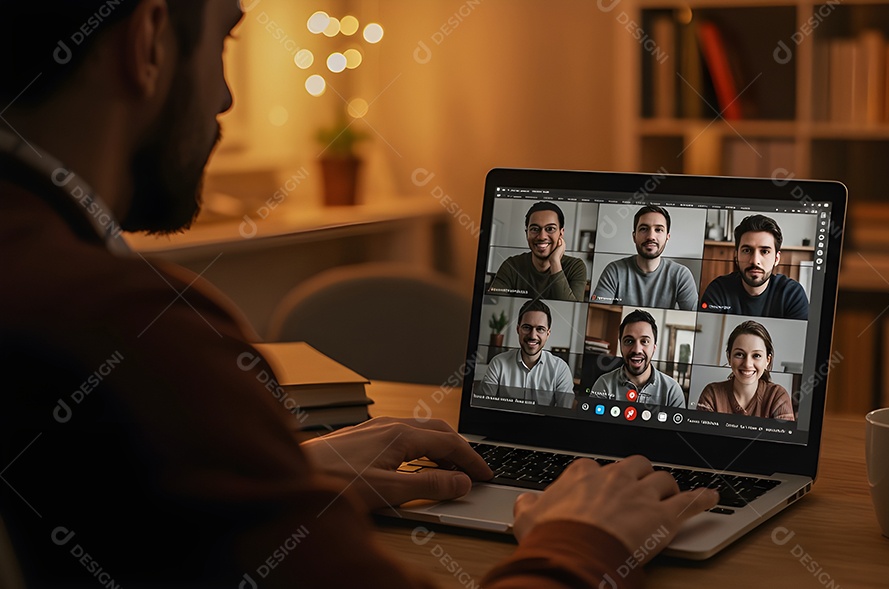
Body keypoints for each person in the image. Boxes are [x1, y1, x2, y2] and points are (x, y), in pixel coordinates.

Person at [0, 1, 718, 587]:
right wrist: (581, 542)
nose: (223, 95)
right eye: (224, 39)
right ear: (149, 38)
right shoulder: (133, 328)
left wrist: (283, 474)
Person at [700, 214, 810, 320]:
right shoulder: (718, 290)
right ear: (736, 255)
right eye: (747, 251)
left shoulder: (792, 294)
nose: (755, 261)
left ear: (776, 259)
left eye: (765, 251)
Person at [592, 205, 698, 310]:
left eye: (658, 230)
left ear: (667, 237)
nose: (651, 236)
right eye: (643, 229)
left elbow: (695, 315)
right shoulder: (614, 271)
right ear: (634, 237)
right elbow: (597, 310)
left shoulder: (681, 275)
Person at [481, 299, 575, 408]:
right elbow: (484, 406)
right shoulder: (498, 363)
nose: (533, 336)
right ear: (518, 329)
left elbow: (563, 414)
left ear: (548, 333)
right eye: (527, 327)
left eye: (540, 329)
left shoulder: (561, 369)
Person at [487, 201, 588, 301]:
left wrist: (555, 261)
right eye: (535, 229)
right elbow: (493, 301)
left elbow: (572, 306)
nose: (542, 237)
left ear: (561, 234)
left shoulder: (576, 267)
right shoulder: (511, 265)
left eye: (550, 228)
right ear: (527, 234)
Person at [696, 321, 795, 421]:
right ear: (729, 357)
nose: (747, 364)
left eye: (756, 355)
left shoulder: (777, 396)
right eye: (739, 354)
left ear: (767, 361)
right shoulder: (712, 394)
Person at [589, 310, 687, 408]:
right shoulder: (603, 385)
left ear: (654, 347)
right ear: (621, 345)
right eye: (629, 341)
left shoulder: (672, 391)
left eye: (644, 341)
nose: (636, 350)